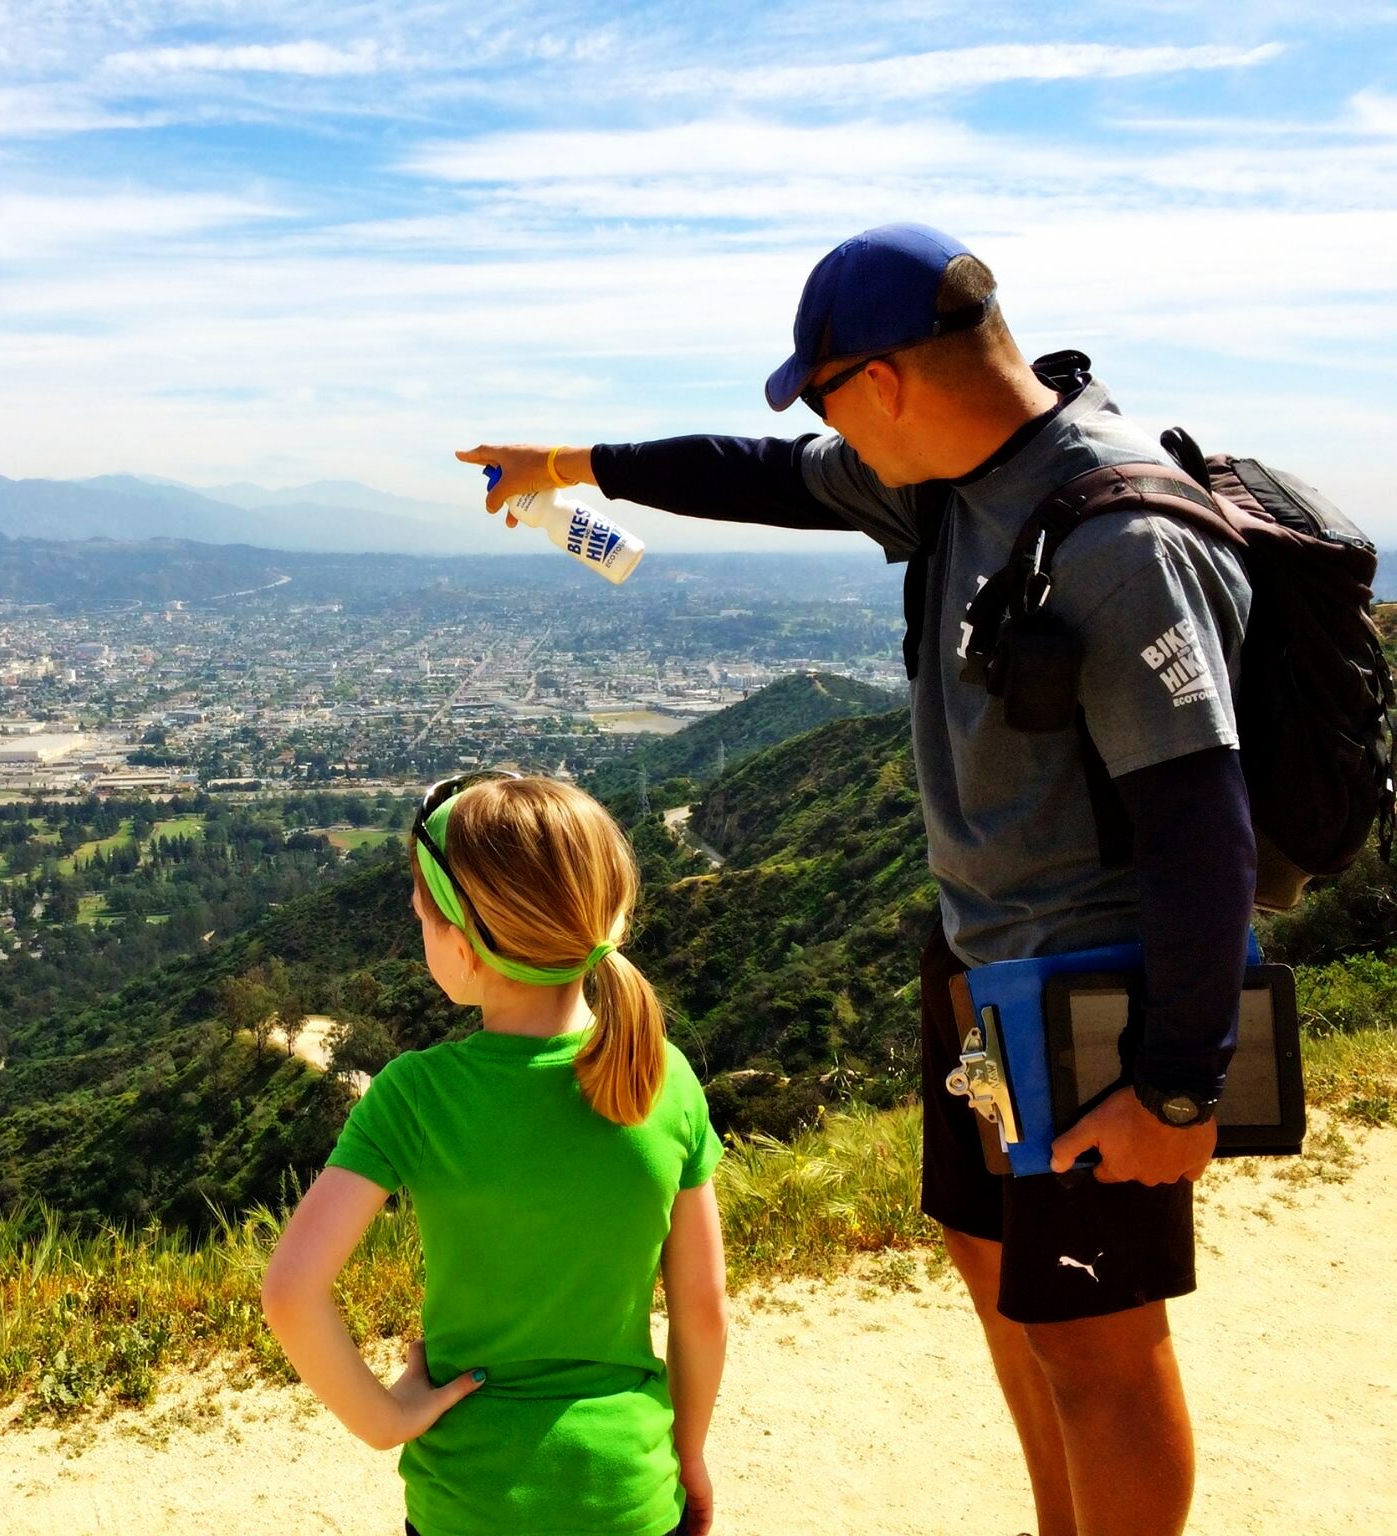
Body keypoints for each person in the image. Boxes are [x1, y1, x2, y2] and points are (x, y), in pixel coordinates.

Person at [457, 223, 1255, 1536]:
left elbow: (1202, 826)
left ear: (879, 382)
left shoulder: (1116, 537)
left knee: (1100, 1349)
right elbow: (760, 474)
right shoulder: (945, 480)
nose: (824, 433)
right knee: (1004, 1288)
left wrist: (1178, 1081)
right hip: (981, 967)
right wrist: (572, 467)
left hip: (1093, 999)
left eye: (825, 399)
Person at [262, 771, 729, 1536]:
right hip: (631, 1498)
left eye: (422, 916)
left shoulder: (417, 1095)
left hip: (466, 1505)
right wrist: (691, 1455)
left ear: (465, 946)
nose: (418, 928)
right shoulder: (663, 1077)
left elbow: (290, 1293)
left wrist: (385, 1420)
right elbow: (702, 1309)